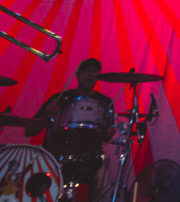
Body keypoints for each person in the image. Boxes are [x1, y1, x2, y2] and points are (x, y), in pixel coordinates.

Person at [25, 58, 116, 192]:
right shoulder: (60, 98)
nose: (90, 75)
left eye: (95, 72)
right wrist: (46, 115)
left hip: (87, 161)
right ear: (77, 75)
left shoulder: (105, 102)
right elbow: (29, 131)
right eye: (86, 71)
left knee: (103, 167)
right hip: (56, 158)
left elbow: (107, 135)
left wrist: (110, 133)